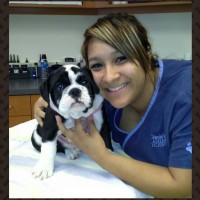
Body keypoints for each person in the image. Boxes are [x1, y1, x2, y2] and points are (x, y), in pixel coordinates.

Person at [34, 13, 192, 197]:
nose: (109, 77)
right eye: (97, 65)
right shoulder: (103, 92)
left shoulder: (186, 95)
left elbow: (184, 186)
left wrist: (102, 155)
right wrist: (48, 98)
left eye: (121, 58)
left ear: (146, 53)